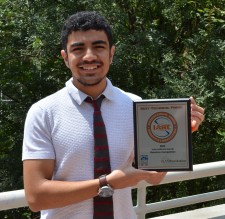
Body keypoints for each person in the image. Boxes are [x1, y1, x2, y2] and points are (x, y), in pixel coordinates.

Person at [22, 11, 205, 219]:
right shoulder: (43, 112)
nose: (89, 56)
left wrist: (179, 130)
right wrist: (107, 183)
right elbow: (36, 197)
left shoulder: (136, 105)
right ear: (65, 57)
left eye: (99, 47)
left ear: (111, 53)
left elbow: (154, 177)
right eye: (78, 49)